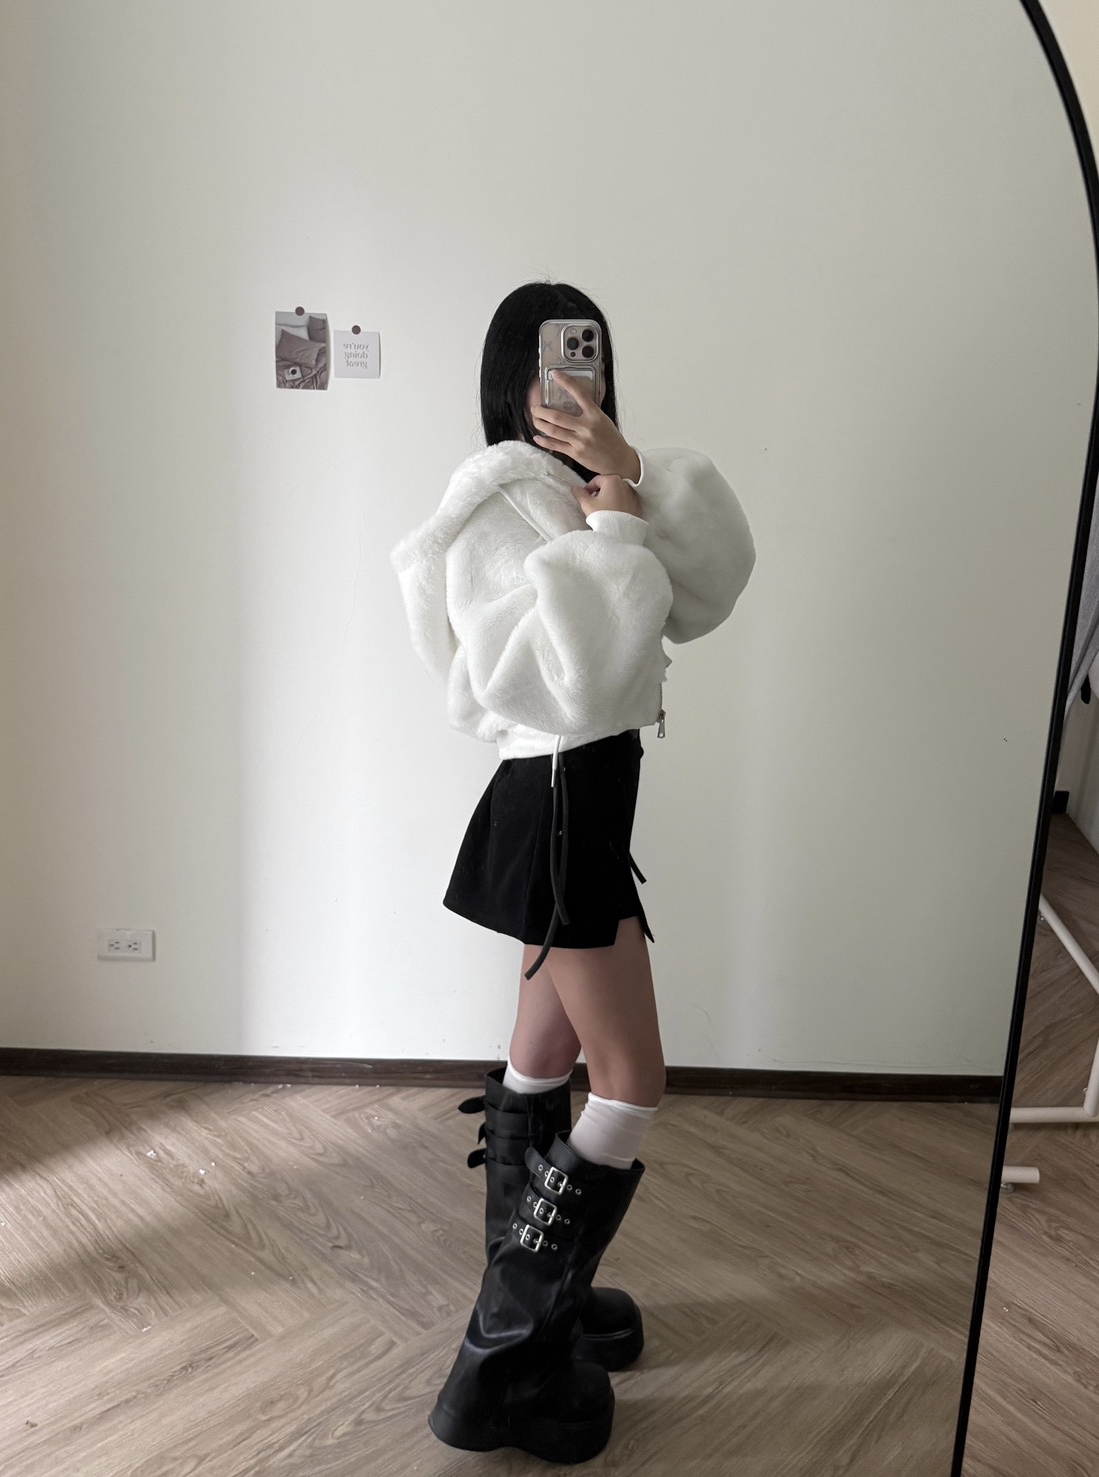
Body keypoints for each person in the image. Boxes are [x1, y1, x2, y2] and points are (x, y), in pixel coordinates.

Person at [389, 281, 755, 1463]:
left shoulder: (590, 482)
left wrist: (628, 480)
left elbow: (704, 595)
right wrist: (612, 530)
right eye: (553, 360)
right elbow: (573, 680)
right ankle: (505, 1365)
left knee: (541, 1056)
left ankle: (539, 1303)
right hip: (557, 802)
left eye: (588, 355)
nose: (573, 377)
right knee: (631, 1082)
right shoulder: (495, 499)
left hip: (577, 804)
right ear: (514, 376)